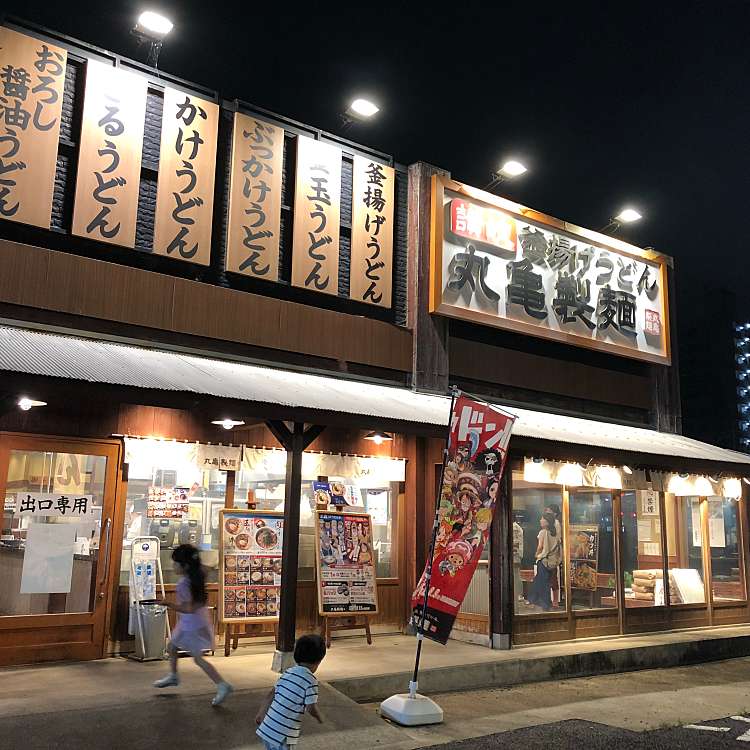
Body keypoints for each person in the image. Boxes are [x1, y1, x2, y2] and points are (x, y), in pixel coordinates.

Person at [153, 544, 233, 706]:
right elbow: (207, 568)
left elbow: (189, 608)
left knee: (197, 659)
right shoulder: (198, 574)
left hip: (192, 625)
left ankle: (222, 684)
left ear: (185, 566)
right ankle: (174, 676)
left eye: (176, 563)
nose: (173, 566)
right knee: (172, 647)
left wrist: (167, 604)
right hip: (196, 621)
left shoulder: (184, 583)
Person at [256, 634, 326, 748]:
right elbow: (311, 707)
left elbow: (270, 695)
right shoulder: (310, 681)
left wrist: (261, 713)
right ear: (319, 661)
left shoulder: (288, 672)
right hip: (283, 734)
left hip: (267, 728)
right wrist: (319, 717)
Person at [527, 512, 561, 611]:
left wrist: (537, 555)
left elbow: (540, 546)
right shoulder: (556, 532)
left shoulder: (543, 532)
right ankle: (543, 602)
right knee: (545, 582)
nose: (540, 520)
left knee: (542, 583)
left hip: (544, 561)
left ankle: (544, 604)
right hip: (553, 562)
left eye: (542, 519)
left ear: (547, 522)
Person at [544, 503, 563, 608]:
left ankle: (555, 601)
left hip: (551, 556)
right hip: (549, 556)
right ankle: (551, 601)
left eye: (549, 512)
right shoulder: (549, 523)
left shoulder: (555, 524)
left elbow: (556, 541)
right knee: (550, 579)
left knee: (552, 579)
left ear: (554, 513)